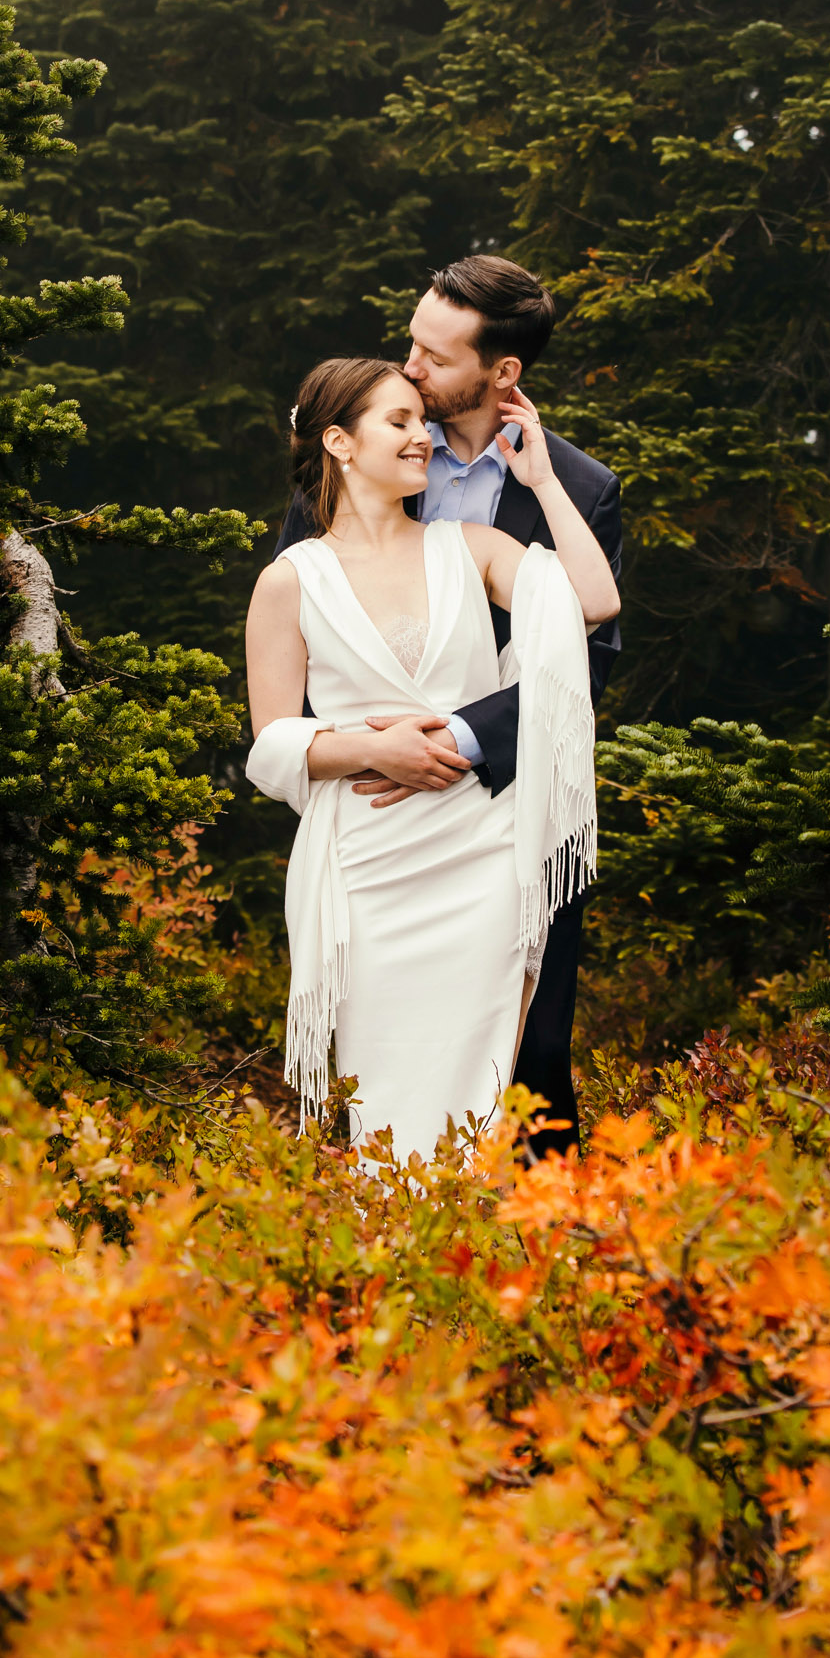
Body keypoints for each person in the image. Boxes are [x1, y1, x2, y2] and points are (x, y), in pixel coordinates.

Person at [273, 257, 623, 1153]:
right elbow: (312, 631)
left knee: (531, 1067)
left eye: (433, 355)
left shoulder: (575, 489)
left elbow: (592, 645)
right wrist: (362, 750)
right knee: (381, 1079)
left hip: (505, 810)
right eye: (410, 346)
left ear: (501, 373)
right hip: (375, 823)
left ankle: (544, 1272)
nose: (413, 369)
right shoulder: (362, 448)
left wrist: (459, 739)